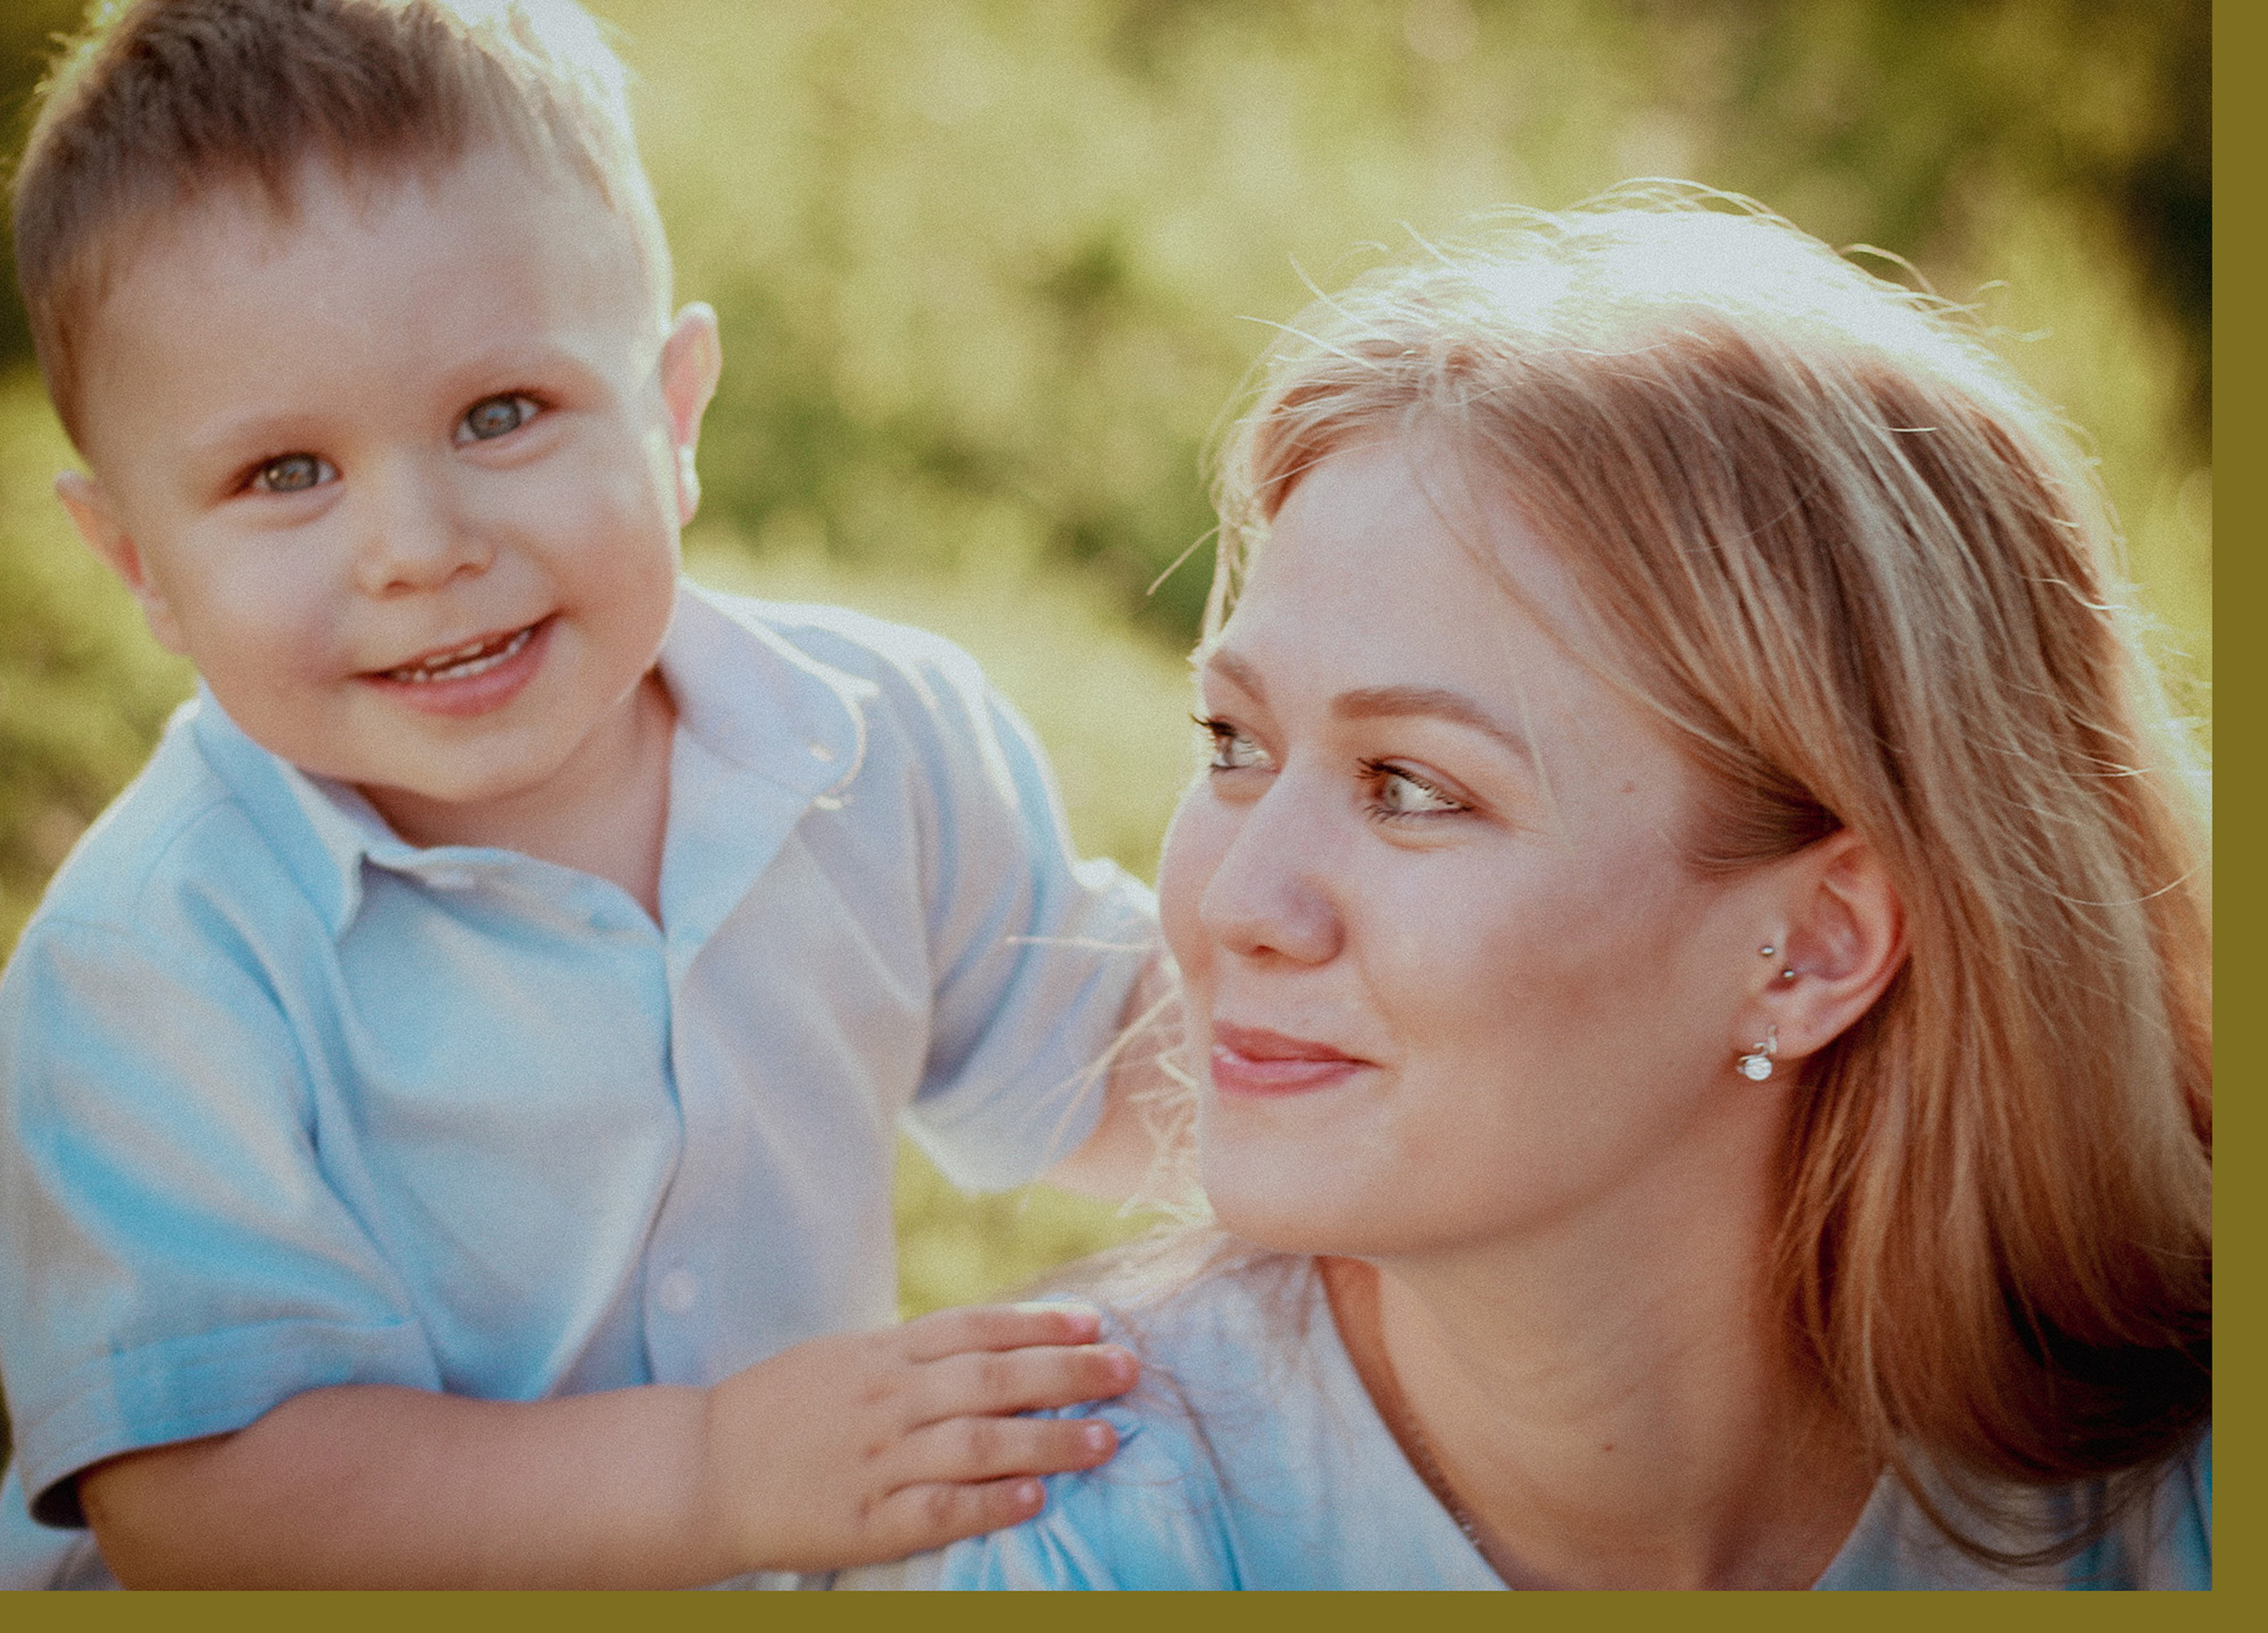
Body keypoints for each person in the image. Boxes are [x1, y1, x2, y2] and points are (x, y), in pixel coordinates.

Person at [0, 0, 1172, 1589]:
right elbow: (207, 1505)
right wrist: (714, 1473)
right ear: (136, 568)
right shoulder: (158, 964)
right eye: (283, 474)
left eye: (499, 416)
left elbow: (1104, 1056)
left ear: (676, 414)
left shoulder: (874, 742)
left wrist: (1416, 1096)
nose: (417, 545)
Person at [869, 195, 2212, 1589]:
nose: (1236, 902)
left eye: (1414, 786)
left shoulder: (2186, 1491)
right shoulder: (1068, 1532)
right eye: (1238, 746)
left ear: (1811, 948)